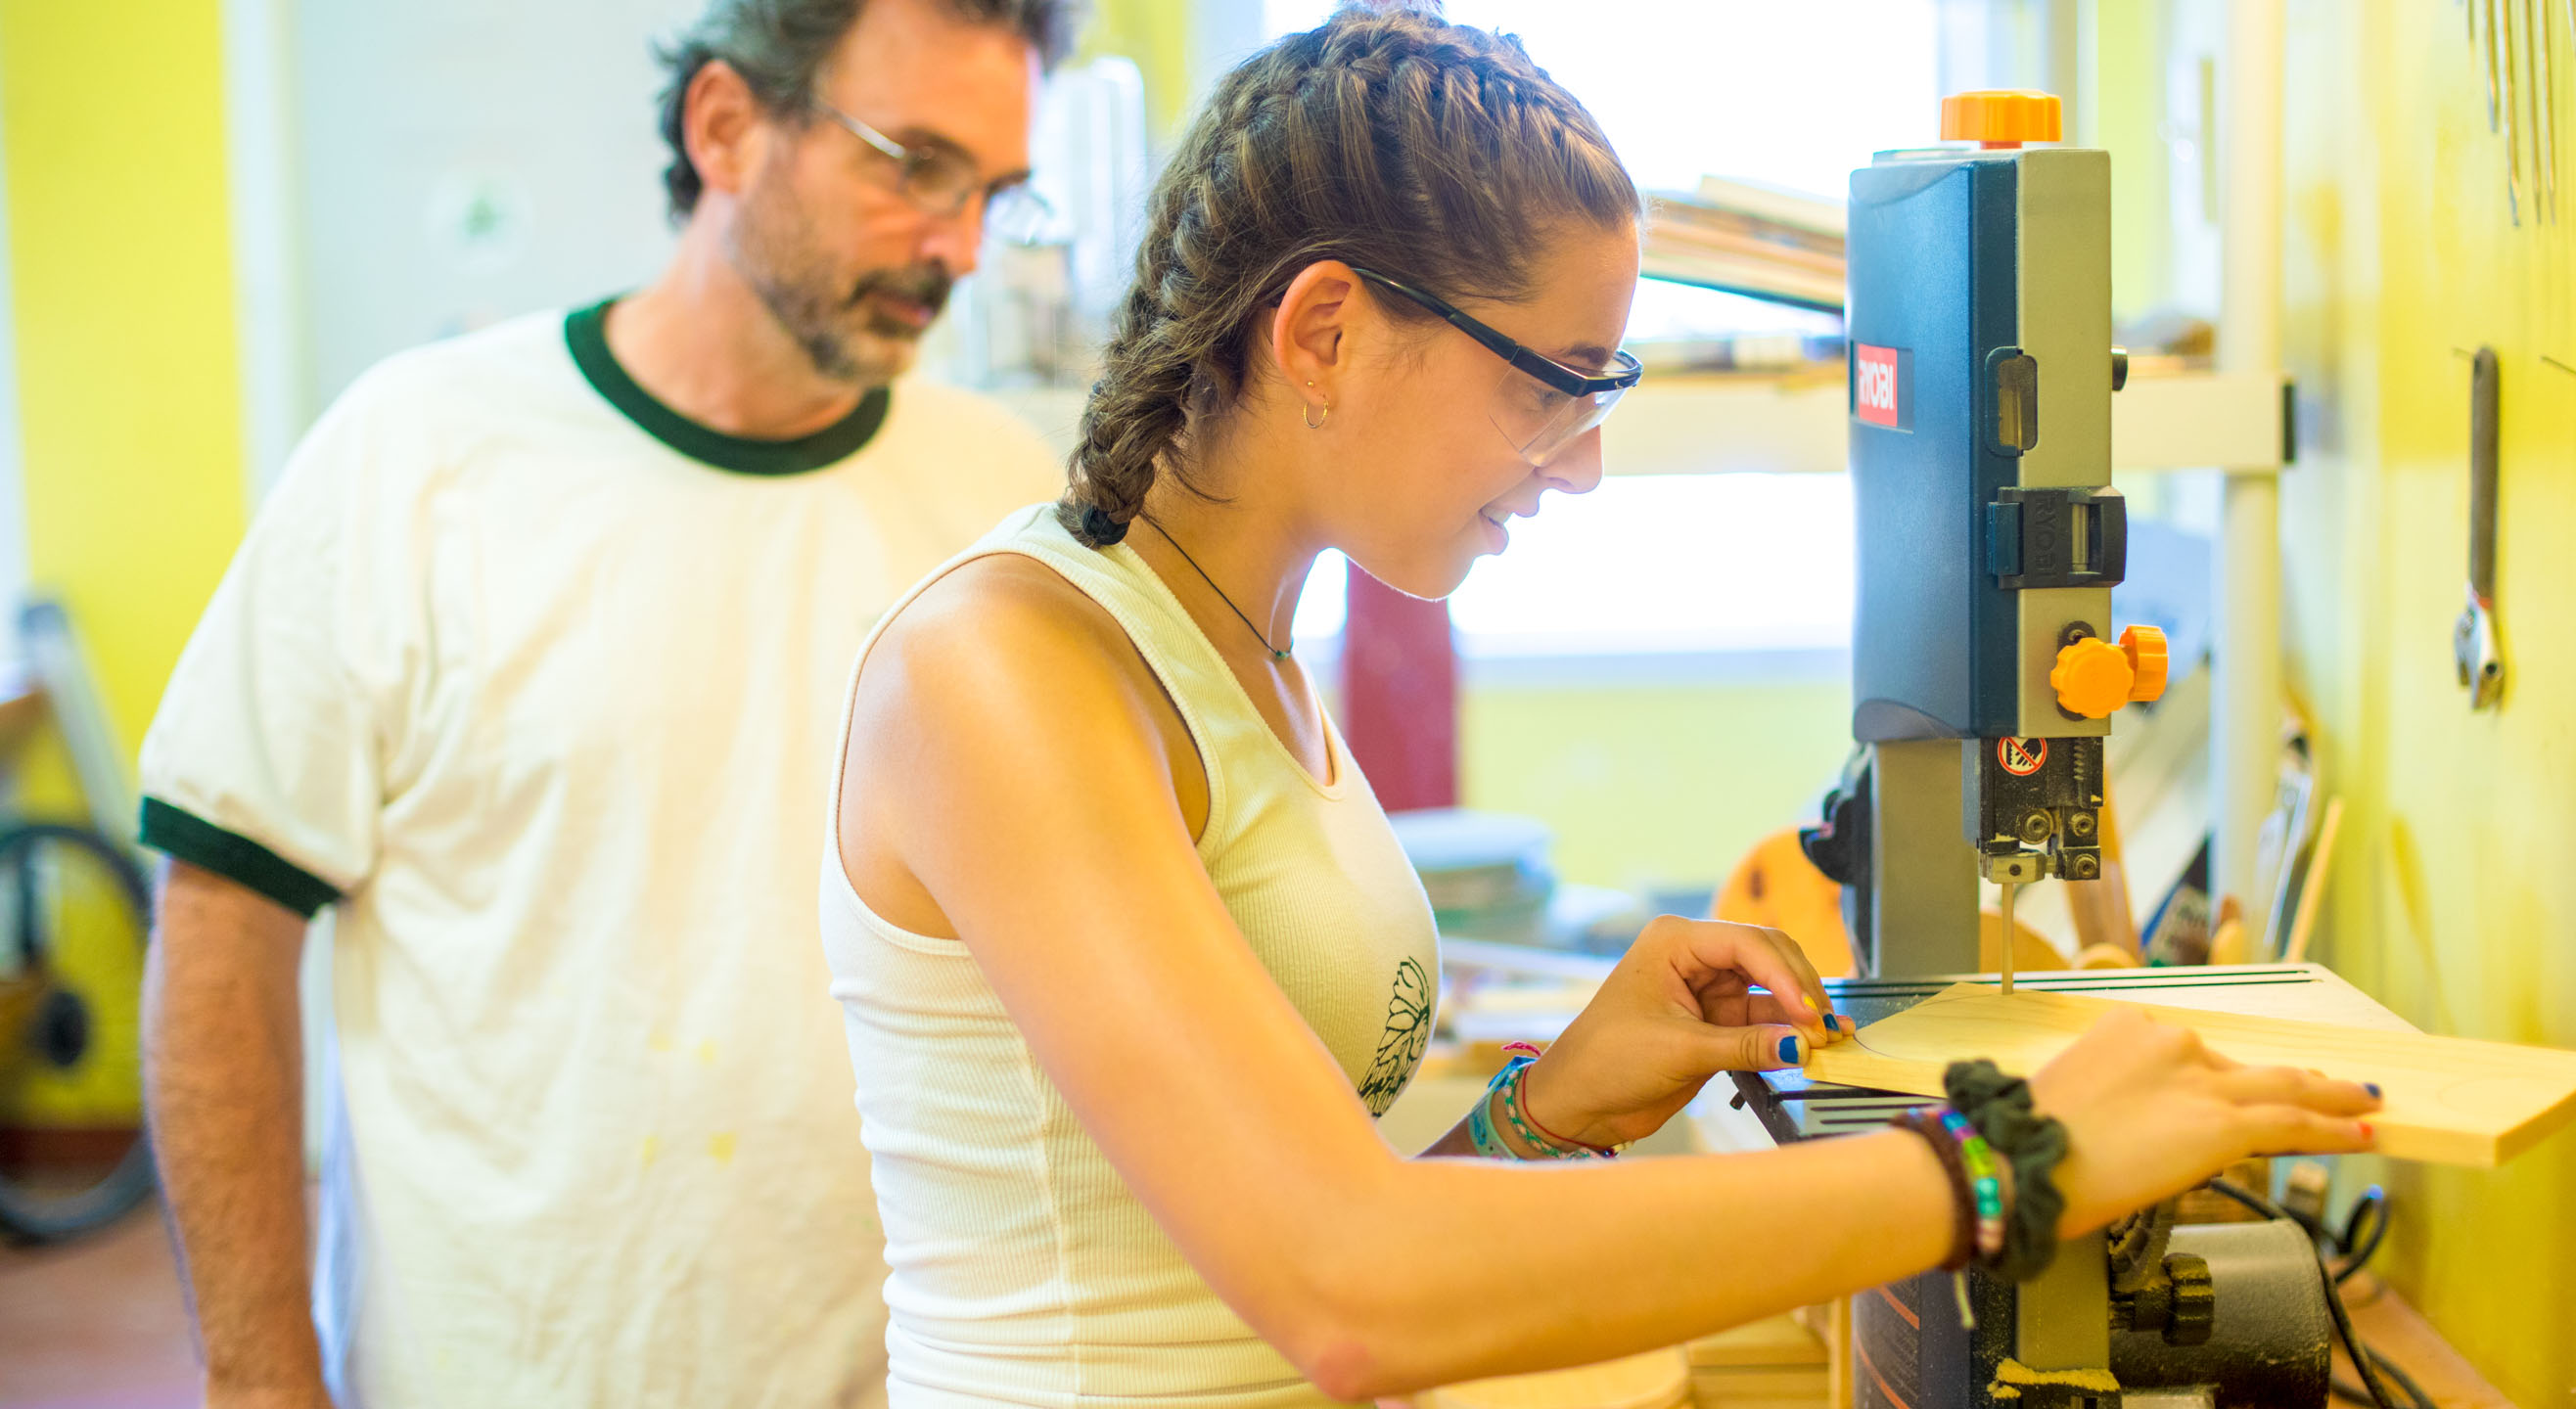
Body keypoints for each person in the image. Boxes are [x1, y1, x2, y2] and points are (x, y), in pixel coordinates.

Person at [823, 7, 2383, 1405]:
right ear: (1324, 331)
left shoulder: (1244, 649)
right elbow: (1346, 1293)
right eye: (1548, 383)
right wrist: (2001, 1165)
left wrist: (1550, 1106)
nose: (1579, 462)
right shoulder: (1007, 676)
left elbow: (1261, 1271)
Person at [134, 0, 1077, 1403]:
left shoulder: (1003, 503)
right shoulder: (418, 457)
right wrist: (261, 1375)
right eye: (911, 164)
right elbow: (222, 924)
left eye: (991, 192)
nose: (957, 247)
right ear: (725, 128)